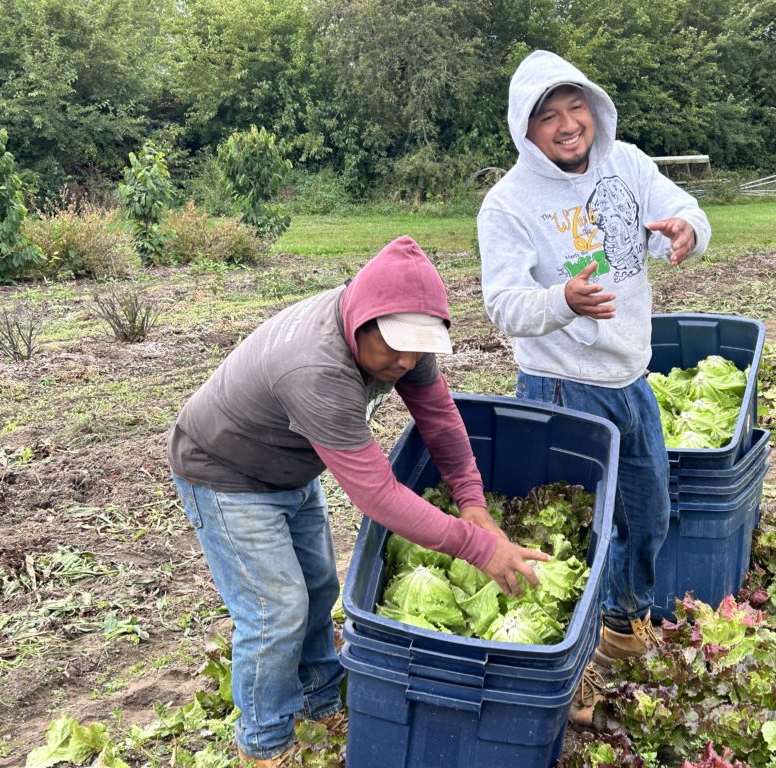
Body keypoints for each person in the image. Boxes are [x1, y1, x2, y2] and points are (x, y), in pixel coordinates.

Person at [168, 236, 547, 766]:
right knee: (274, 609)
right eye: (394, 346)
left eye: (419, 346)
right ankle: (266, 741)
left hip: (289, 466)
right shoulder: (316, 371)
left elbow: (438, 417)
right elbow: (377, 495)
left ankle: (322, 695)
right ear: (360, 322)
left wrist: (472, 501)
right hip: (226, 473)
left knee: (321, 585)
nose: (406, 359)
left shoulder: (399, 340)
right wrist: (478, 549)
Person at [477, 50, 711, 723]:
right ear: (527, 129)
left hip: (629, 376)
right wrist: (562, 301)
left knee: (647, 514)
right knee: (576, 539)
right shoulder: (509, 204)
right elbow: (503, 305)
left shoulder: (627, 163)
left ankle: (621, 631)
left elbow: (681, 210)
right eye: (547, 115)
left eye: (574, 106)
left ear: (593, 107)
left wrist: (686, 231)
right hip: (558, 390)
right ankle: (568, 674)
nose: (567, 123)